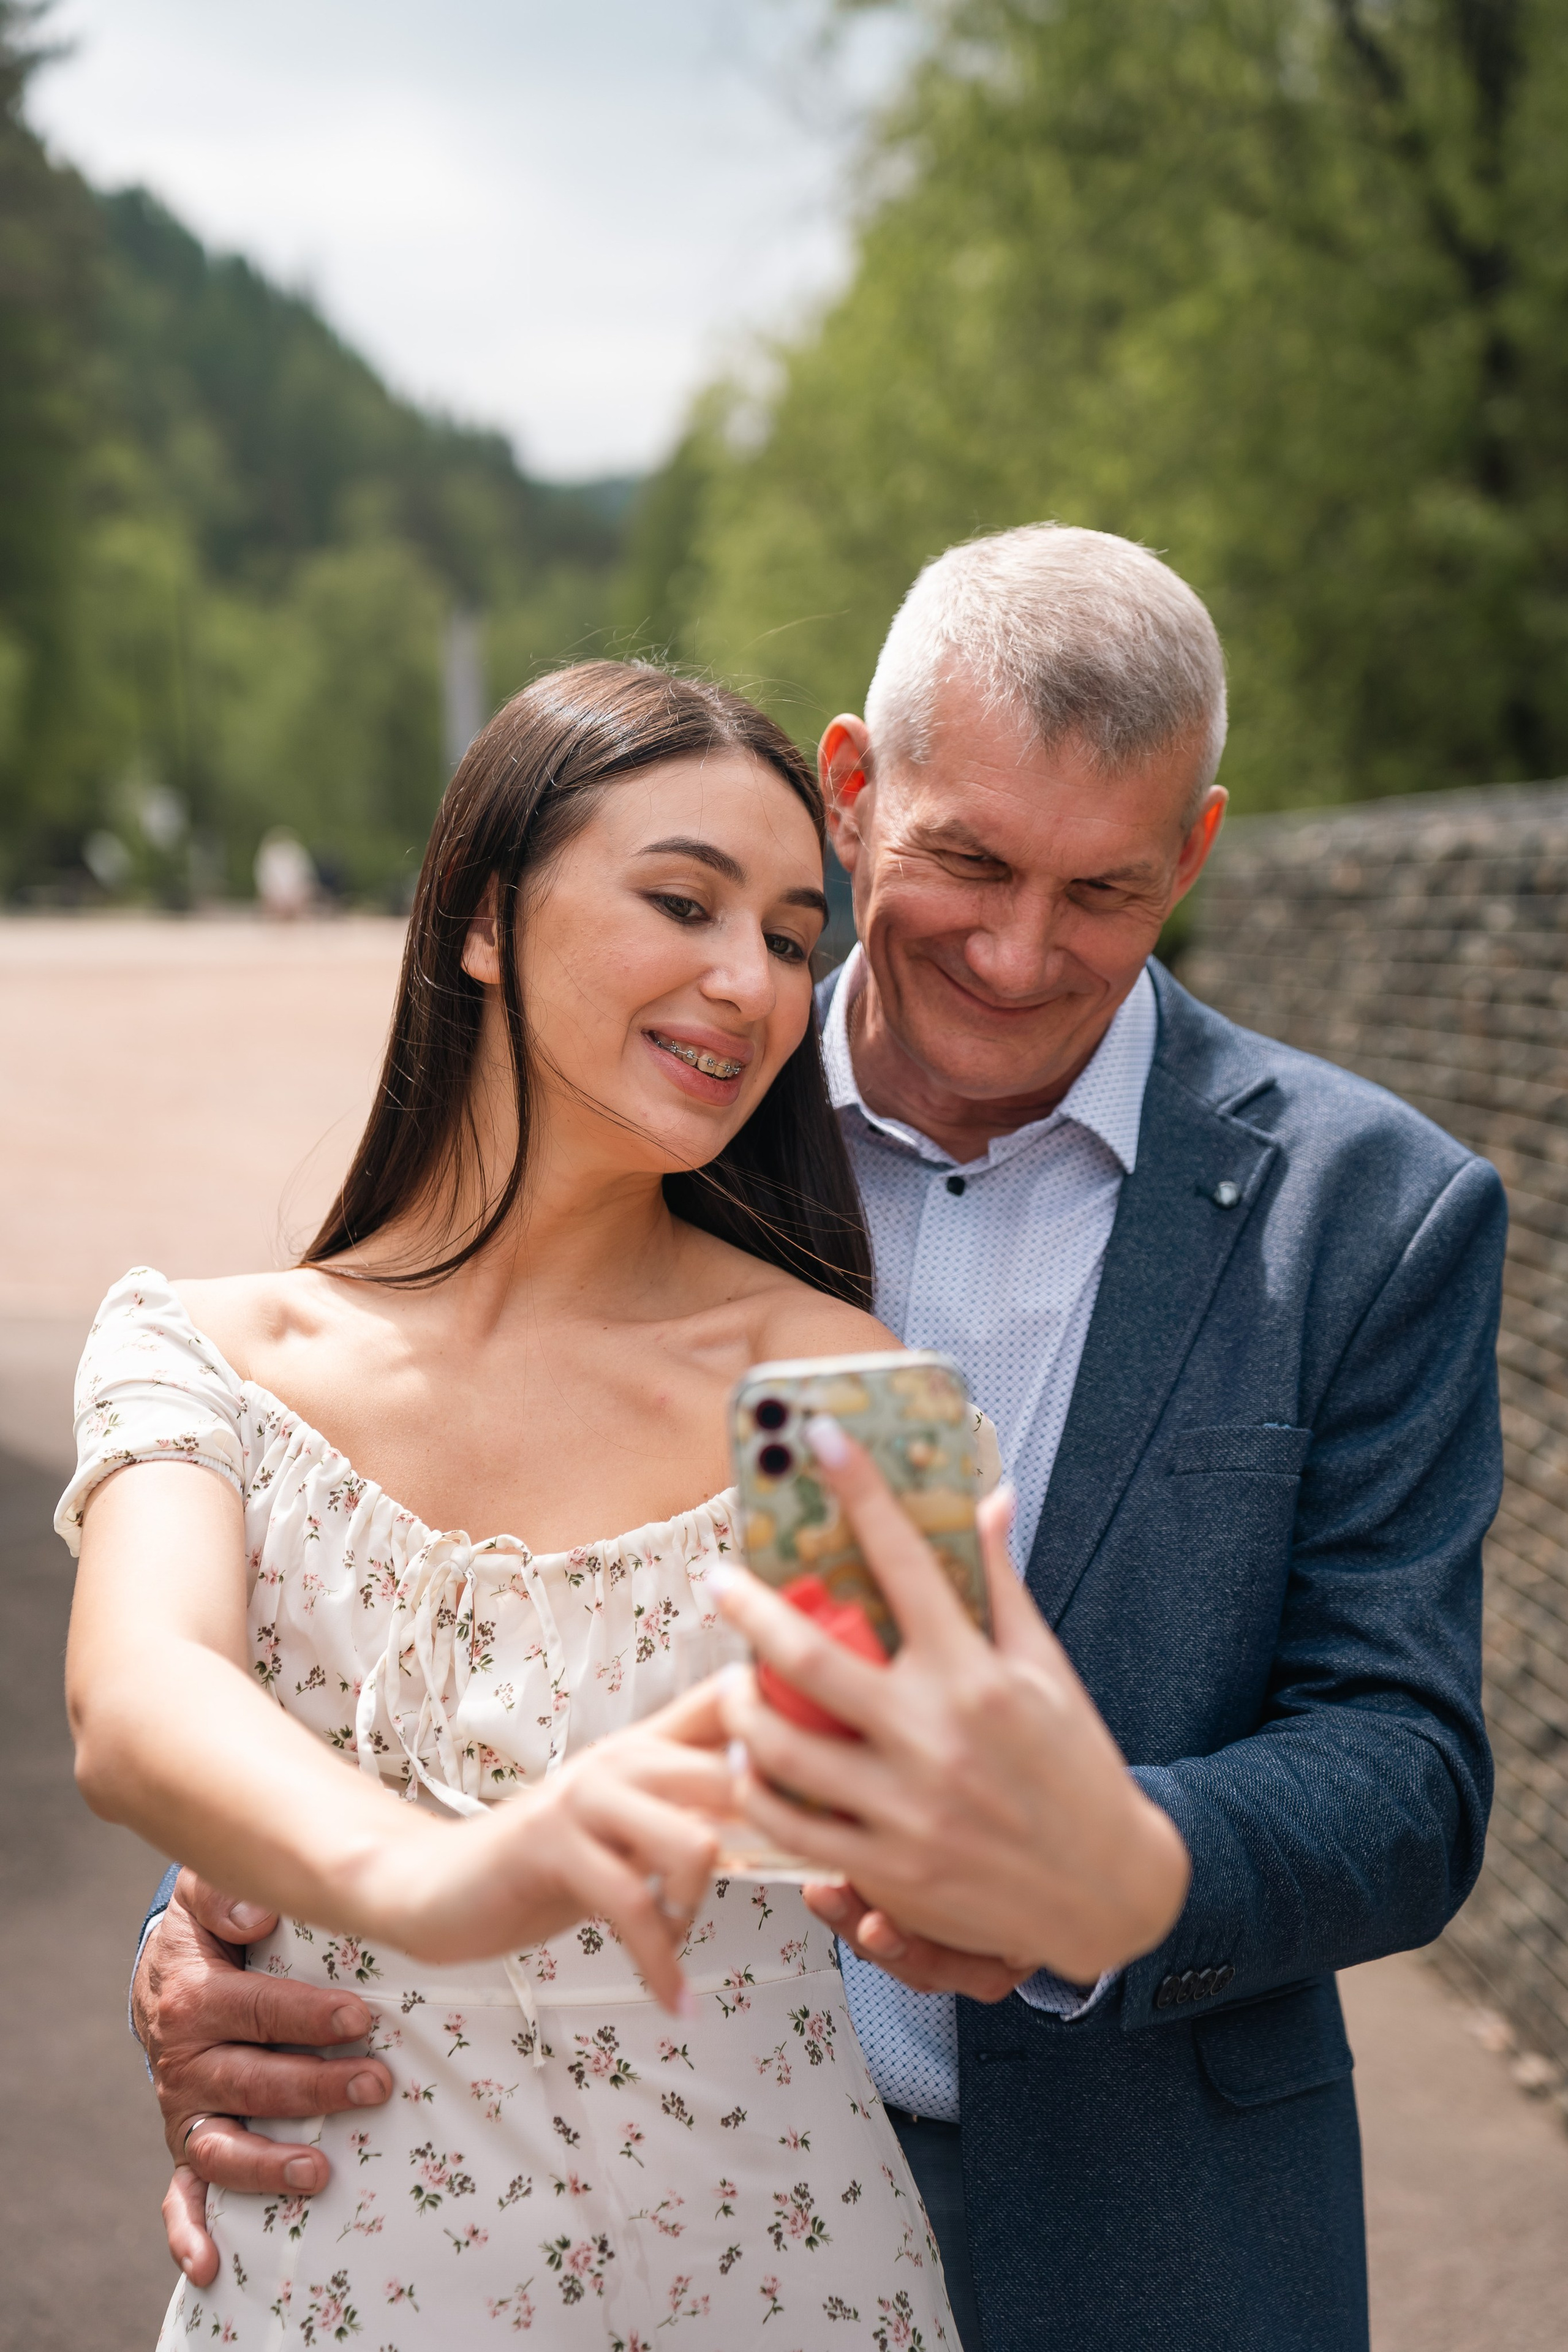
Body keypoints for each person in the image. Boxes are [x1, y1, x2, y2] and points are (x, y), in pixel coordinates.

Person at [126, 526, 1503, 2352]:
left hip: (1145, 2232)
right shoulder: (661, 1118)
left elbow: (1407, 1764)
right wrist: (219, 1925)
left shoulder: (1377, 1211)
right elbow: (386, 1564)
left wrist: (1100, 1869)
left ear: (1200, 849)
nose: (1021, 954)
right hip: (563, 2192)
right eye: (970, 863)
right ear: (855, 792)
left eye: (1107, 893)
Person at [68, 661, 1048, 2350]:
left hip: (777, 2284)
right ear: (481, 919)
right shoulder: (208, 1350)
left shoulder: (835, 1388)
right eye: (684, 902)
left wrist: (976, 1876)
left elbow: (946, 1821)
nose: (750, 983)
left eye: (797, 937)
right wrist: (433, 1881)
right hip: (334, 2290)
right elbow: (139, 1696)